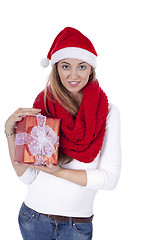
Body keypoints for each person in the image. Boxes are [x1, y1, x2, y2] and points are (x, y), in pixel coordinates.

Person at [5, 27, 121, 240]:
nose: (73, 75)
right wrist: (9, 131)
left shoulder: (108, 112)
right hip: (33, 217)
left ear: (91, 70)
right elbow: (27, 176)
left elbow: (109, 179)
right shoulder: (43, 105)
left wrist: (58, 172)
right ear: (56, 68)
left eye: (82, 66)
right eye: (66, 66)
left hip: (76, 226)